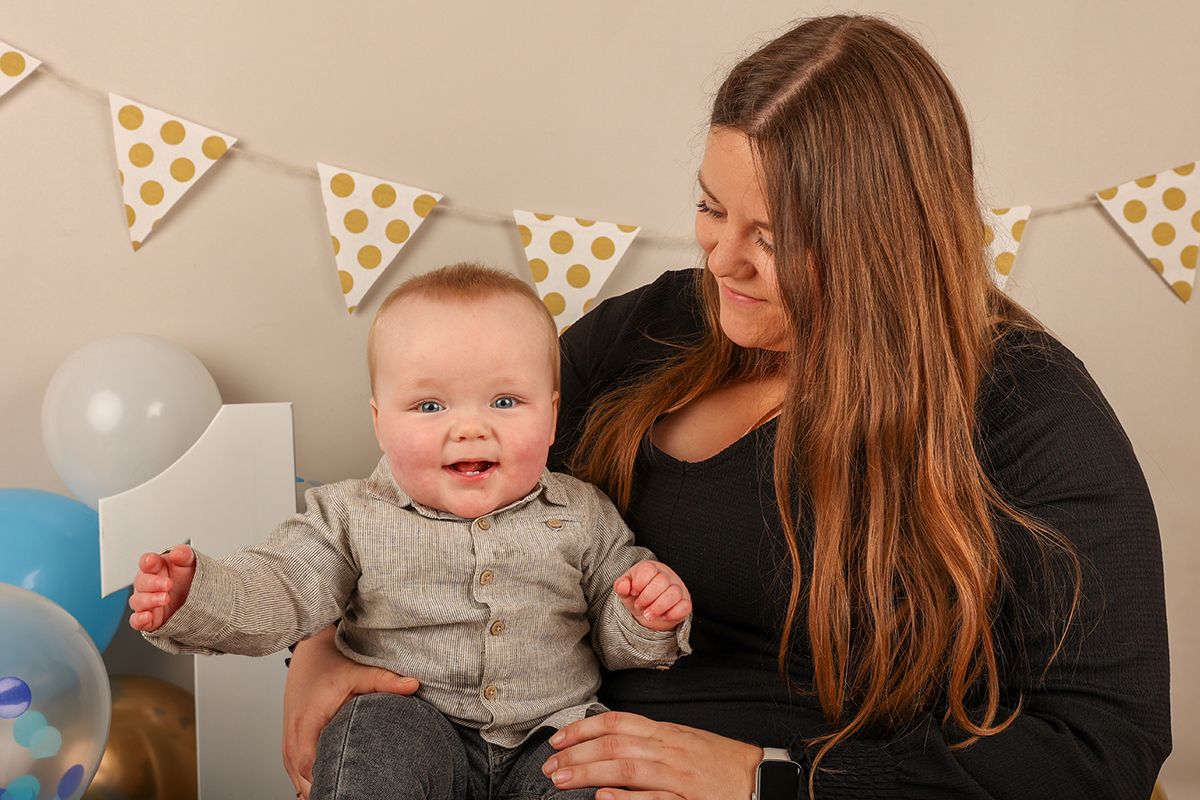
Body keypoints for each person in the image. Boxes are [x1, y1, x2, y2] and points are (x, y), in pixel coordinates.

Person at [283, 14, 1171, 800]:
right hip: (536, 757)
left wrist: (763, 780)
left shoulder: (1025, 409)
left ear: (885, 246)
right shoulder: (656, 327)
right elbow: (445, 467)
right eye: (711, 209)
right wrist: (321, 646)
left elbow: (1105, 748)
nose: (723, 260)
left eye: (773, 239)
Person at [128, 263, 694, 799]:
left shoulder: (583, 514)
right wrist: (197, 595)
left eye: (505, 401)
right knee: (369, 738)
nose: (470, 428)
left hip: (552, 737)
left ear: (549, 415)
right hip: (416, 720)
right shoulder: (351, 516)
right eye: (429, 405)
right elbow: (283, 584)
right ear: (379, 421)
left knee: (603, 774)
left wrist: (644, 615)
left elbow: (618, 631)